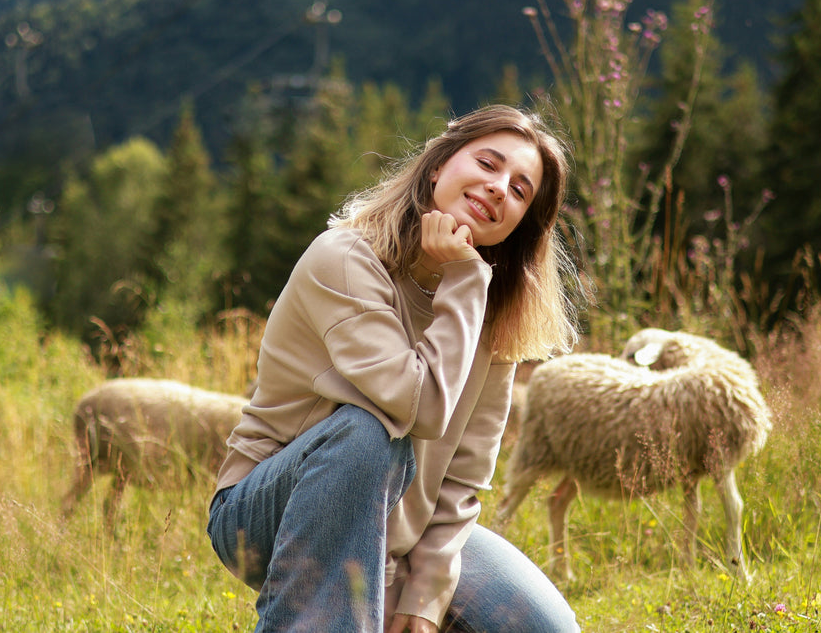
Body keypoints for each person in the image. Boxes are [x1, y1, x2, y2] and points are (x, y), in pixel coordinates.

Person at [207, 103, 582, 632]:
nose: (499, 187)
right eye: (487, 164)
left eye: (521, 190)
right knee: (366, 430)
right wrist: (464, 281)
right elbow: (419, 407)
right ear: (438, 166)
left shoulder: (489, 311)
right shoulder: (344, 259)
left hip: (405, 525)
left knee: (546, 627)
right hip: (267, 513)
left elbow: (462, 477)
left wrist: (424, 597)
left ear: (523, 223)